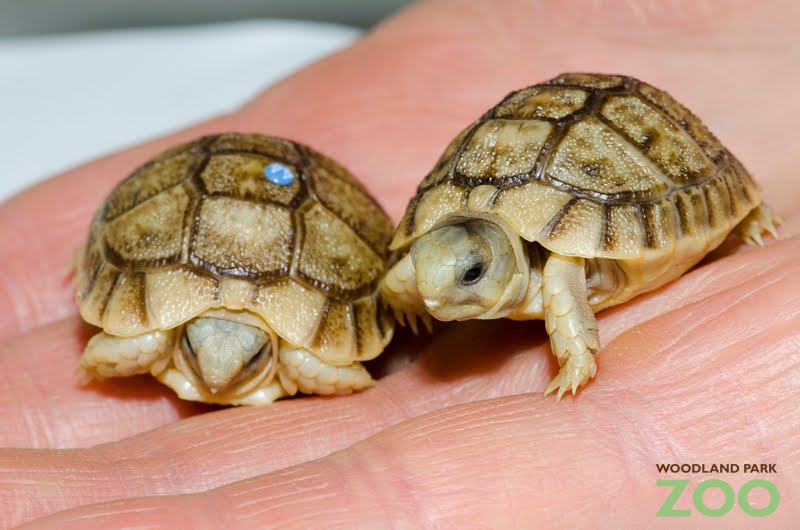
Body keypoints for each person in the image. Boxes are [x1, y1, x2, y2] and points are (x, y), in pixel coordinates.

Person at [1, 0, 797, 527]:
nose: (434, 295)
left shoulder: (556, 270)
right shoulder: (435, 261)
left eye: (469, 280)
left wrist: (575, 345)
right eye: (424, 270)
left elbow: (558, 269)